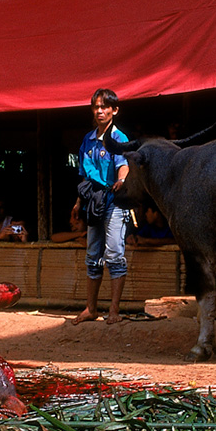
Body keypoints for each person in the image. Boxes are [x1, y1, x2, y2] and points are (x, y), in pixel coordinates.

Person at [70, 89, 131, 325]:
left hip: (114, 201)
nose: (100, 111)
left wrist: (122, 181)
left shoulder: (120, 139)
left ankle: (113, 310)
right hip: (92, 201)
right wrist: (78, 202)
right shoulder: (88, 139)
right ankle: (91, 308)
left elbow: (123, 165)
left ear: (114, 110)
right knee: (93, 254)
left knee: (115, 253)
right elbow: (84, 175)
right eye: (96, 107)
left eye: (105, 107)